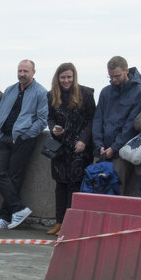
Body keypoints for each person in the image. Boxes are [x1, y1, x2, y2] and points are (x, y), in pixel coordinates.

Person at [0, 59, 47, 230]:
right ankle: (19, 209)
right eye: (20, 71)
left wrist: (27, 135)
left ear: (33, 72)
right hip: (4, 137)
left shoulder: (40, 92)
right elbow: (1, 112)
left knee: (15, 177)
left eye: (25, 71)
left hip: (23, 138)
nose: (22, 74)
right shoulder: (10, 89)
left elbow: (42, 120)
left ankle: (4, 217)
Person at [46, 64, 95, 234]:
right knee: (60, 184)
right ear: (57, 78)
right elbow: (50, 117)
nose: (66, 80)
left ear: (74, 77)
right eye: (63, 77)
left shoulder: (86, 94)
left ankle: (69, 224)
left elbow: (91, 120)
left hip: (79, 146)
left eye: (69, 77)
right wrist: (53, 128)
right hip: (60, 146)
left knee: (74, 185)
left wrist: (83, 140)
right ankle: (59, 222)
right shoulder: (51, 95)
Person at [92, 56, 141, 197]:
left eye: (117, 76)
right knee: (97, 190)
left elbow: (130, 125)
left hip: (121, 152)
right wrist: (99, 144)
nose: (113, 80)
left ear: (126, 71)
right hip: (101, 150)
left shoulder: (140, 92)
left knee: (115, 191)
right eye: (110, 76)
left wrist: (114, 147)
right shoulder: (105, 92)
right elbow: (98, 119)